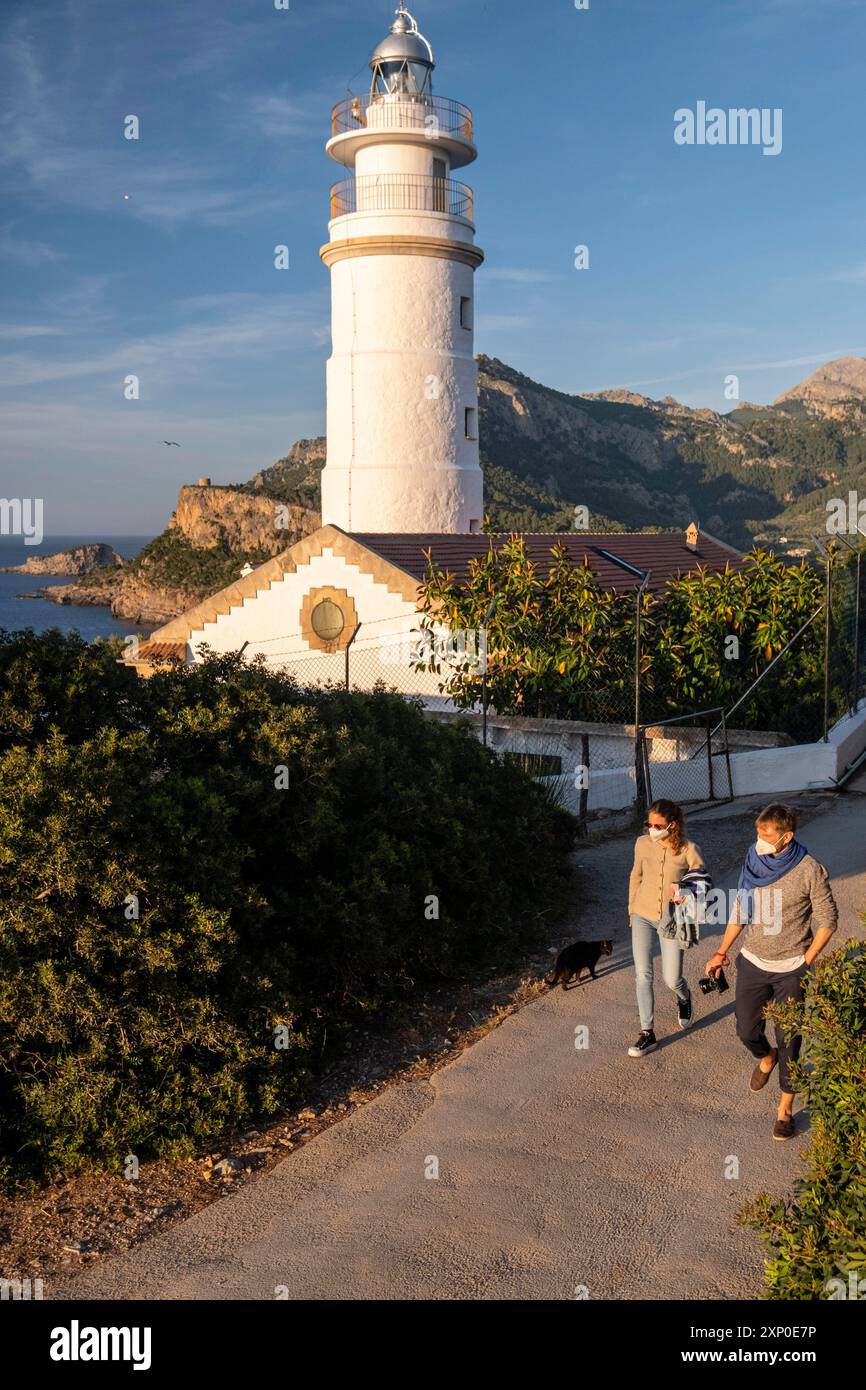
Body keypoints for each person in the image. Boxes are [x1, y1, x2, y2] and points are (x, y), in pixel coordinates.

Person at [704, 802, 837, 1141]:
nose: (759, 840)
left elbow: (828, 919)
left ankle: (784, 1110)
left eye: (766, 835)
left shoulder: (809, 869)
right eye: (757, 833)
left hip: (791, 968)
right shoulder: (754, 859)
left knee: (790, 1040)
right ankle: (766, 1056)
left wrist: (806, 960)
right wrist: (721, 952)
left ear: (786, 836)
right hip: (753, 960)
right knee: (746, 1030)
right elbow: (740, 909)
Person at [627, 799, 705, 1057]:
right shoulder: (641, 844)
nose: (651, 829)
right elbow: (635, 876)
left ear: (672, 825)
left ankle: (684, 997)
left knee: (671, 979)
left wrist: (686, 892)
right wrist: (631, 909)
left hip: (671, 920)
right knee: (643, 974)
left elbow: (703, 881)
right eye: (648, 824)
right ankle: (647, 1034)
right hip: (642, 914)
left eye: (657, 825)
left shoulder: (688, 849)